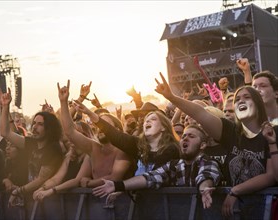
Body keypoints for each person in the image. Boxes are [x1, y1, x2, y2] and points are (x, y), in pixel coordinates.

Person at [154, 72, 278, 218]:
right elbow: (200, 113)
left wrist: (236, 190)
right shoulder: (230, 131)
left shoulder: (272, 132)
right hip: (235, 211)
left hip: (265, 210)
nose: (240, 101)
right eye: (237, 99)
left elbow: (272, 176)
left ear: (258, 103)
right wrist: (171, 97)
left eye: (247, 97)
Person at [93, 124, 222, 210]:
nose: (185, 139)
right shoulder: (175, 165)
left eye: (191, 136)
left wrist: (205, 189)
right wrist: (117, 185)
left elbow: (206, 174)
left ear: (203, 145)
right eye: (183, 136)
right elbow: (150, 177)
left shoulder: (208, 161)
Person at [58, 80, 135, 188]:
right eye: (98, 125)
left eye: (105, 125)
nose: (100, 128)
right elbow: (70, 132)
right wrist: (63, 102)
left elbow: (114, 178)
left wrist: (90, 183)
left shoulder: (123, 151)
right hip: (94, 203)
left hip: (121, 203)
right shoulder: (94, 148)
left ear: (116, 129)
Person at [75, 97, 180, 176]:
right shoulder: (139, 145)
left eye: (153, 119)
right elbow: (114, 134)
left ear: (164, 127)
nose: (146, 120)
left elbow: (153, 177)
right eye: (146, 120)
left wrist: (123, 187)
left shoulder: (172, 149)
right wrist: (89, 113)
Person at [0, 88, 64, 206]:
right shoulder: (31, 143)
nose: (34, 127)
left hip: (49, 202)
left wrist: (18, 191)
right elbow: (5, 133)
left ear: (49, 129)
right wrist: (5, 107)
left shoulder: (53, 148)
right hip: (32, 201)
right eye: (34, 123)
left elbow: (41, 179)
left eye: (40, 124)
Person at [32, 121, 92, 200]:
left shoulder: (89, 155)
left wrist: (52, 191)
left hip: (87, 202)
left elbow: (77, 180)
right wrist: (42, 188)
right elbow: (56, 178)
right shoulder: (69, 156)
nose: (70, 138)